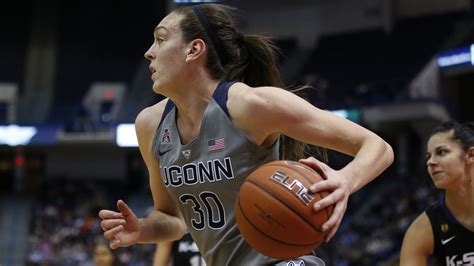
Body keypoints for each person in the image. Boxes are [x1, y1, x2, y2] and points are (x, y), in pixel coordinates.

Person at [98, 3, 394, 265]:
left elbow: (377, 146)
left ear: (194, 49)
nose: (149, 52)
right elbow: (174, 219)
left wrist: (345, 180)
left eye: (161, 39)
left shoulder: (248, 105)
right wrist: (142, 230)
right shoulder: (149, 125)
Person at [400, 121, 474, 265]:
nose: (430, 162)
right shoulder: (422, 230)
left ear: (471, 155)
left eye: (441, 152)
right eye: (428, 156)